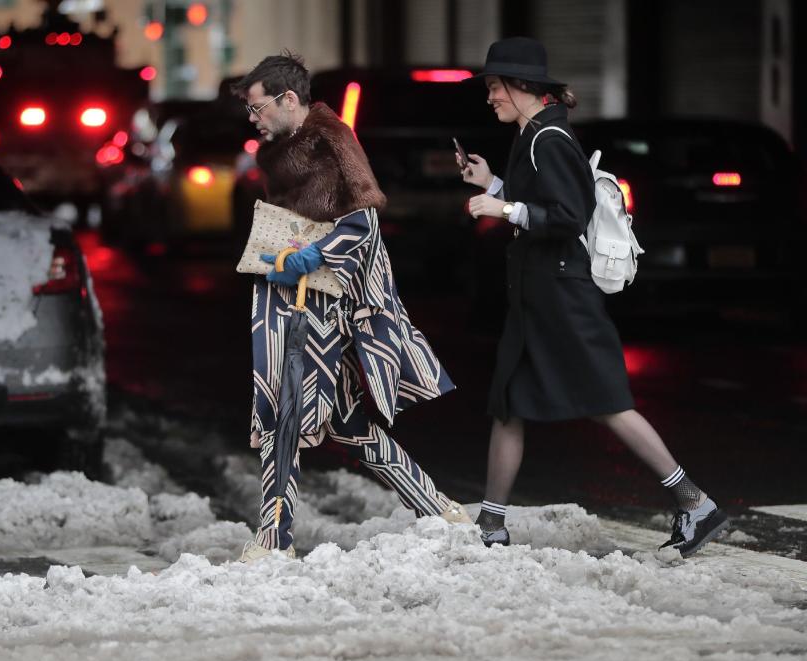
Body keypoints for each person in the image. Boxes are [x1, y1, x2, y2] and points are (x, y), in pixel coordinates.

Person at [460, 37, 728, 557]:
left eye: (494, 86)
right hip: (537, 297)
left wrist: (503, 211)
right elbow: (538, 201)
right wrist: (493, 183)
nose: (489, 96)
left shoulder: (549, 138)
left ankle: (694, 503)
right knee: (509, 402)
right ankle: (491, 525)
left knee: (609, 402)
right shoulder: (532, 133)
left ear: (521, 86)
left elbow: (566, 216)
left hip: (563, 297)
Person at [230, 52, 471, 563]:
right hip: (292, 297)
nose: (253, 119)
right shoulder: (280, 152)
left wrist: (314, 256)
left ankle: (275, 539)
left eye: (257, 108)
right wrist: (284, 259)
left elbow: (364, 219)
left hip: (322, 305)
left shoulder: (332, 139)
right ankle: (439, 506)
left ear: (287, 99)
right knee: (345, 422)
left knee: (287, 409)